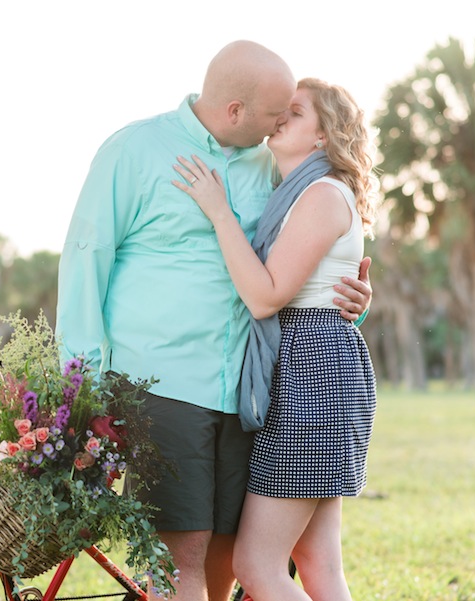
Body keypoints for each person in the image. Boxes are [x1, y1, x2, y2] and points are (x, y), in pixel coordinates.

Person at [55, 40, 372, 601]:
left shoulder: (271, 166)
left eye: (289, 115)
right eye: (276, 114)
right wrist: (84, 383)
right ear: (236, 111)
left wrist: (347, 298)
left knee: (230, 563)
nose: (279, 124)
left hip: (251, 394)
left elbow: (305, 255)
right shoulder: (136, 150)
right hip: (164, 385)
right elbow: (86, 258)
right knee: (180, 563)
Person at [172, 77, 378, 600]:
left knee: (257, 564)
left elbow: (265, 298)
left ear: (325, 137)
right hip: (317, 364)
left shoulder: (321, 194)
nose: (281, 116)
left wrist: (219, 212)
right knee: (316, 561)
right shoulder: (303, 193)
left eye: (297, 111)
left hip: (313, 376)